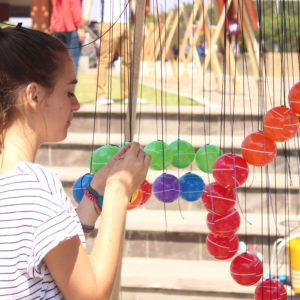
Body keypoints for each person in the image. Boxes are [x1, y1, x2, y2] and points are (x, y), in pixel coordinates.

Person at [0, 25, 150, 299]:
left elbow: (49, 255)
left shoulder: (14, 183)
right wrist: (118, 190)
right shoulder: (35, 185)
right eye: (69, 91)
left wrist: (96, 193)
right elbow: (91, 294)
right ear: (33, 95)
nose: (77, 104)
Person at [83, 0, 146, 105]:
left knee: (128, 60)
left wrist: (139, 20)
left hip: (126, 23)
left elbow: (133, 2)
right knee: (105, 60)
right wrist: (87, 12)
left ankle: (129, 95)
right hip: (108, 22)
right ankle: (100, 95)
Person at [50, 0, 86, 75]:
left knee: (58, 64)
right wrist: (80, 27)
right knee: (72, 63)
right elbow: (75, 6)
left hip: (57, 27)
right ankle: (70, 87)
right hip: (71, 27)